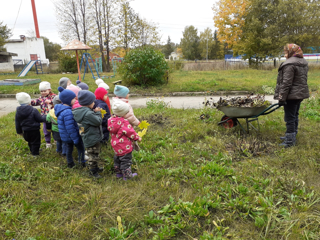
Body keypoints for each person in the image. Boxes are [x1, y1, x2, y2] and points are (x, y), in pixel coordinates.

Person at [274, 43, 309, 148]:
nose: (284, 55)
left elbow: (286, 84)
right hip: (299, 94)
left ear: (291, 52)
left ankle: (290, 141)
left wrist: (281, 98)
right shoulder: (303, 62)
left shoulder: (289, 64)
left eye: (285, 52)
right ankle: (292, 136)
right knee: (295, 115)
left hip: (291, 95)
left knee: (289, 117)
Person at [72, 90, 104, 178]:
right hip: (92, 138)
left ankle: (95, 167)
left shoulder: (80, 112)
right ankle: (93, 172)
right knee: (93, 155)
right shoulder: (88, 114)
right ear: (89, 103)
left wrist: (84, 135)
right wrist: (97, 113)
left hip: (87, 136)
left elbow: (82, 127)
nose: (94, 103)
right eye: (93, 101)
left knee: (92, 153)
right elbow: (98, 122)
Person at [108, 99, 141, 180]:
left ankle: (119, 173)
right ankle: (127, 176)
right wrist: (137, 137)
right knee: (126, 161)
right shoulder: (124, 122)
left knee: (117, 159)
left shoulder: (110, 120)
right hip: (124, 146)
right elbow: (130, 132)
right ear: (123, 113)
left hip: (115, 145)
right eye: (126, 112)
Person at [55, 87, 85, 168]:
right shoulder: (68, 112)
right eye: (73, 99)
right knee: (81, 148)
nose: (75, 100)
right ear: (68, 100)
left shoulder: (60, 109)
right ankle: (82, 162)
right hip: (72, 135)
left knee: (69, 149)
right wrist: (75, 138)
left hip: (65, 136)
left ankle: (70, 163)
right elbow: (70, 127)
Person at [15, 92, 46, 156]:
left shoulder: (18, 112)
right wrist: (46, 117)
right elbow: (40, 119)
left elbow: (17, 122)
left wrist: (19, 131)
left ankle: (32, 150)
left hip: (25, 130)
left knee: (30, 141)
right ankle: (35, 154)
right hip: (34, 130)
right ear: (29, 101)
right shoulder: (33, 110)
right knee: (36, 142)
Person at [31, 81, 56, 148]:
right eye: (41, 91)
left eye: (45, 91)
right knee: (46, 130)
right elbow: (35, 102)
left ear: (49, 90)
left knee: (54, 129)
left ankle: (56, 140)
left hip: (53, 116)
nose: (43, 92)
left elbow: (58, 102)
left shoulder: (54, 96)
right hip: (44, 117)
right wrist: (28, 102)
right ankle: (48, 142)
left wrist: (51, 102)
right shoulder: (41, 98)